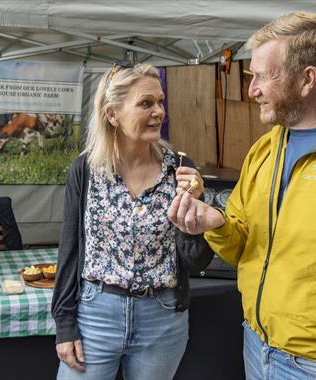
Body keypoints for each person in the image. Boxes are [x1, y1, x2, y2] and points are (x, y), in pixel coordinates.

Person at [168, 11, 316, 380]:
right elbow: (239, 249)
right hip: (257, 344)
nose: (252, 90)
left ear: (307, 79)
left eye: (263, 76)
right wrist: (214, 222)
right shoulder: (264, 151)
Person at [51, 61, 213, 380]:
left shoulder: (180, 171)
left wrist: (195, 213)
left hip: (162, 320)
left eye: (160, 102)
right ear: (113, 114)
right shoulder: (86, 170)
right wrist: (65, 324)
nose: (158, 112)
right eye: (145, 103)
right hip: (96, 315)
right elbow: (68, 250)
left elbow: (198, 261)